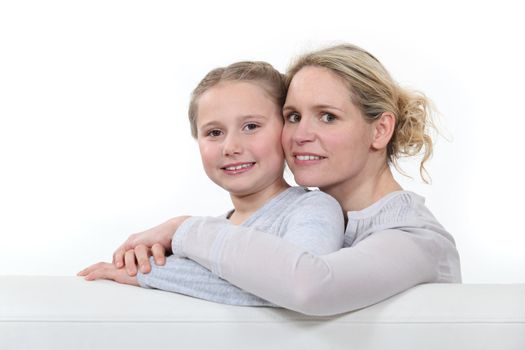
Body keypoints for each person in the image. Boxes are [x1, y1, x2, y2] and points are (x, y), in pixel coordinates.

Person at [110, 44, 462, 316]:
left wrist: (182, 230)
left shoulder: (415, 239)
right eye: (292, 116)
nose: (300, 135)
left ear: (380, 129)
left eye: (327, 116)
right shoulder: (318, 220)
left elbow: (308, 286)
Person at [78, 61, 345, 306]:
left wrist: (151, 271)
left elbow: (292, 285)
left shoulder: (314, 208)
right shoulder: (197, 241)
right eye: (214, 133)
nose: (231, 147)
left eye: (251, 126)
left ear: (286, 129)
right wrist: (149, 262)